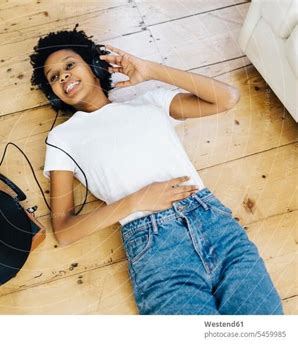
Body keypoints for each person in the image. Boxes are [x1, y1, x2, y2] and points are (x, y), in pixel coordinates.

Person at [29, 25, 283, 315]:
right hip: (157, 249)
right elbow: (64, 230)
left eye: (70, 65)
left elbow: (227, 98)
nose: (62, 75)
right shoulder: (62, 139)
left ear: (93, 64)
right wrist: (135, 201)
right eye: (53, 77)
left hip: (215, 225)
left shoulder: (149, 102)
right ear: (53, 95)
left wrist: (149, 70)